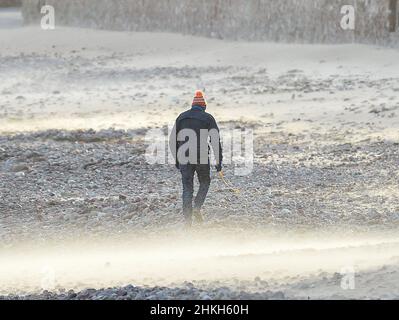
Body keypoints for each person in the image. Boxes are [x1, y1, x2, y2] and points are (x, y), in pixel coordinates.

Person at [170, 90, 223, 228]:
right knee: (205, 182)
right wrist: (219, 161)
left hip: (184, 157)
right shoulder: (208, 118)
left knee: (187, 188)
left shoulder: (181, 117)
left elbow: (172, 140)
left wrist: (177, 159)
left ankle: (188, 223)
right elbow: (215, 140)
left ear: (193, 105)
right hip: (201, 156)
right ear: (203, 106)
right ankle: (197, 206)